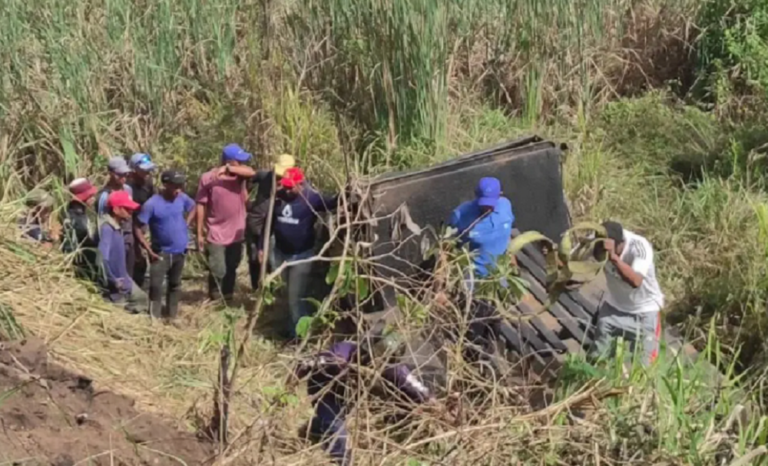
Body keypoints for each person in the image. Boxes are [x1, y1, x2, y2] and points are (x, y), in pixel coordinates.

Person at [294, 331, 434, 466]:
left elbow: (417, 389)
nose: (374, 361)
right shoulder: (341, 354)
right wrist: (293, 379)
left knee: (333, 420)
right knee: (337, 432)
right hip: (324, 390)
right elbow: (308, 362)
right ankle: (340, 460)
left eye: (382, 360)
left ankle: (316, 427)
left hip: (351, 395)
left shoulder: (394, 370)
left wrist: (434, 404)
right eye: (372, 356)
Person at [262, 167, 338, 337]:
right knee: (287, 292)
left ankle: (300, 334)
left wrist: (345, 193)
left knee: (296, 296)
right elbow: (268, 225)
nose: (287, 190)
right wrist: (262, 247)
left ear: (300, 184)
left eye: (291, 187)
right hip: (280, 253)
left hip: (301, 256)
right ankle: (292, 327)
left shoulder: (311, 198)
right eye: (285, 186)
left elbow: (332, 203)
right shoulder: (278, 197)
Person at [590, 221, 665, 366]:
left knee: (644, 367)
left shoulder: (640, 248)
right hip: (614, 308)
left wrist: (614, 258)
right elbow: (572, 258)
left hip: (645, 313)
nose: (602, 254)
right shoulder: (596, 239)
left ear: (620, 244)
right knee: (597, 357)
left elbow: (636, 281)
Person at [196, 143, 256, 301]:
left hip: (237, 231)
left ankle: (227, 297)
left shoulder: (239, 176)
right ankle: (214, 296)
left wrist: (229, 169)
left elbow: (251, 172)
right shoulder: (208, 178)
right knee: (218, 268)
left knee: (232, 265)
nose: (242, 164)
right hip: (215, 231)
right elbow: (201, 204)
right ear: (229, 160)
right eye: (239, 161)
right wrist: (199, 231)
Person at [136, 170, 195, 320]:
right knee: (156, 286)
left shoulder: (182, 198)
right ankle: (154, 317)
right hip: (160, 253)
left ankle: (172, 315)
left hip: (180, 251)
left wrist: (186, 224)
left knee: (175, 284)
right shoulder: (152, 204)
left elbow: (194, 207)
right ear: (166, 184)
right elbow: (137, 227)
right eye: (175, 186)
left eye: (180, 186)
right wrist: (148, 250)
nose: (178, 189)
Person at [447, 177, 515, 293]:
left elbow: (508, 232)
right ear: (476, 195)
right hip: (474, 278)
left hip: (500, 272)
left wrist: (511, 255)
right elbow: (447, 245)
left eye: (491, 203)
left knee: (502, 303)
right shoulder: (461, 215)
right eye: (483, 202)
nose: (487, 207)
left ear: (500, 195)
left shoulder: (505, 206)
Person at [246, 154, 296, 290]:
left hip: (272, 227)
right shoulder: (264, 176)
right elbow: (247, 178)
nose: (279, 179)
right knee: (254, 258)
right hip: (255, 224)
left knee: (271, 260)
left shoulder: (292, 185)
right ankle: (256, 288)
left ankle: (272, 289)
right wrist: (245, 199)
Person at [99, 191, 148, 314]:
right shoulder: (107, 229)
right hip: (117, 285)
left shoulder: (116, 226)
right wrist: (113, 280)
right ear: (116, 209)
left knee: (142, 299)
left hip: (124, 279)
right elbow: (101, 258)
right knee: (119, 312)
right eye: (127, 209)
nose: (130, 212)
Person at [96, 157, 136, 278]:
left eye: (126, 174)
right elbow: (102, 220)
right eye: (120, 174)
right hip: (115, 239)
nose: (124, 177)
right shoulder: (104, 195)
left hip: (128, 236)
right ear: (111, 174)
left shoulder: (128, 190)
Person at [127, 153, 157, 289]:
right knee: (134, 260)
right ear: (134, 170)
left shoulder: (148, 184)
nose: (147, 172)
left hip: (143, 226)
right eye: (144, 170)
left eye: (149, 170)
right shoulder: (127, 187)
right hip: (128, 227)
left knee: (142, 262)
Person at [63, 178, 99, 280]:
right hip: (82, 265)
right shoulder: (75, 218)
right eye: (90, 196)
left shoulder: (81, 212)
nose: (93, 198)